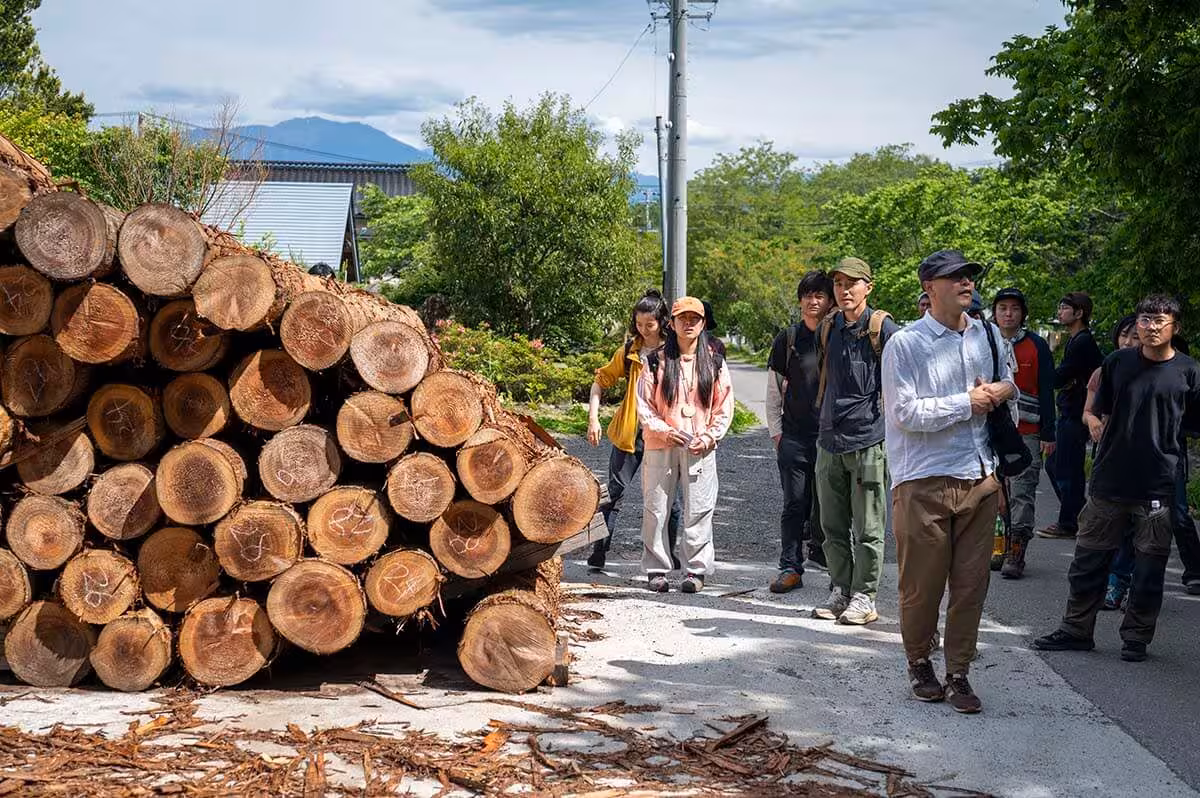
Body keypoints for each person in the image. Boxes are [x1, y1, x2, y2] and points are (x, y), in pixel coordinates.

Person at [882, 249, 1017, 714]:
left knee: (972, 583)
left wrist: (1001, 391)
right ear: (928, 287)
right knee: (922, 586)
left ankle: (959, 671)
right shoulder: (906, 344)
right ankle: (920, 661)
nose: (965, 282)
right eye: (954, 276)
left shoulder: (989, 335)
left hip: (980, 477)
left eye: (969, 275)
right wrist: (968, 401)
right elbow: (904, 413)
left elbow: (1009, 383)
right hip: (923, 480)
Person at [1033, 295, 1200, 662]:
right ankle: (1076, 629)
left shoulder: (1189, 371)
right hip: (1110, 478)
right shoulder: (1117, 363)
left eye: (1160, 320)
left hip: (1159, 483)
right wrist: (1092, 421)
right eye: (1145, 319)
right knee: (1089, 560)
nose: (1151, 326)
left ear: (1176, 326)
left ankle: (1137, 638)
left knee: (1149, 567)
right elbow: (1095, 408)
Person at [811, 257, 899, 625]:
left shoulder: (883, 328)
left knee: (868, 527)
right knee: (831, 525)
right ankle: (841, 589)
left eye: (853, 283)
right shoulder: (828, 327)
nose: (845, 290)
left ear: (869, 287)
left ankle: (865, 595)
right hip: (829, 439)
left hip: (868, 439)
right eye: (839, 284)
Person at [636, 296, 734, 593]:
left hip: (699, 446)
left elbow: (724, 404)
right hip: (660, 444)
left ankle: (696, 570)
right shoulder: (655, 360)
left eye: (695, 319)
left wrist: (710, 435)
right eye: (683, 318)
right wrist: (664, 430)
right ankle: (656, 568)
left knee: (700, 508)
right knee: (655, 508)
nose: (688, 324)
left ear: (703, 323)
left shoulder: (714, 360)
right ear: (672, 323)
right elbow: (644, 406)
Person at [585, 290, 681, 571]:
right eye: (638, 324)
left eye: (649, 325)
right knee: (613, 495)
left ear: (662, 322)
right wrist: (593, 418)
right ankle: (599, 553)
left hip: (663, 435)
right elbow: (599, 382)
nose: (643, 329)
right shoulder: (629, 350)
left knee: (670, 501)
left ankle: (669, 554)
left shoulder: (674, 351)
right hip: (630, 433)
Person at [765, 271, 834, 592]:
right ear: (800, 300)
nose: (812, 301)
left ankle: (837, 569)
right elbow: (774, 390)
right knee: (794, 504)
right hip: (793, 436)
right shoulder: (788, 339)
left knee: (831, 505)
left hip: (832, 437)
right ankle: (790, 567)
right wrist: (777, 434)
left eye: (819, 295)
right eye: (807, 295)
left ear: (830, 301)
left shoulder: (838, 336)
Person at [992, 288, 1056, 578]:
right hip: (991, 428)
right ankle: (997, 546)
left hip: (1027, 429)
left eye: (1014, 308)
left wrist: (1048, 433)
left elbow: (1046, 391)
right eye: (1002, 307)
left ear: (1023, 314)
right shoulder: (985, 341)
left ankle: (1017, 551)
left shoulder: (1036, 345)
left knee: (1022, 491)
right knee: (994, 492)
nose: (1008, 313)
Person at [1081, 315, 1139, 609]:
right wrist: (1092, 421)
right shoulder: (1103, 371)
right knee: (1106, 523)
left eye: (1135, 337)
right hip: (1107, 457)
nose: (1128, 342)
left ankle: (1129, 584)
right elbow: (1088, 411)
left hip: (1145, 462)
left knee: (1137, 526)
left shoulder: (1156, 371)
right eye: (1124, 336)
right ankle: (1109, 583)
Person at [1039, 292, 1104, 539]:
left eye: (1065, 308)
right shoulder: (1076, 340)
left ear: (1079, 313)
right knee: (1057, 465)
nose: (1060, 312)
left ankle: (1071, 523)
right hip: (1071, 411)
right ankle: (1079, 516)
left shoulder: (1083, 342)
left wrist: (1045, 367)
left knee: (1067, 470)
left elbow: (1060, 377)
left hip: (1078, 413)